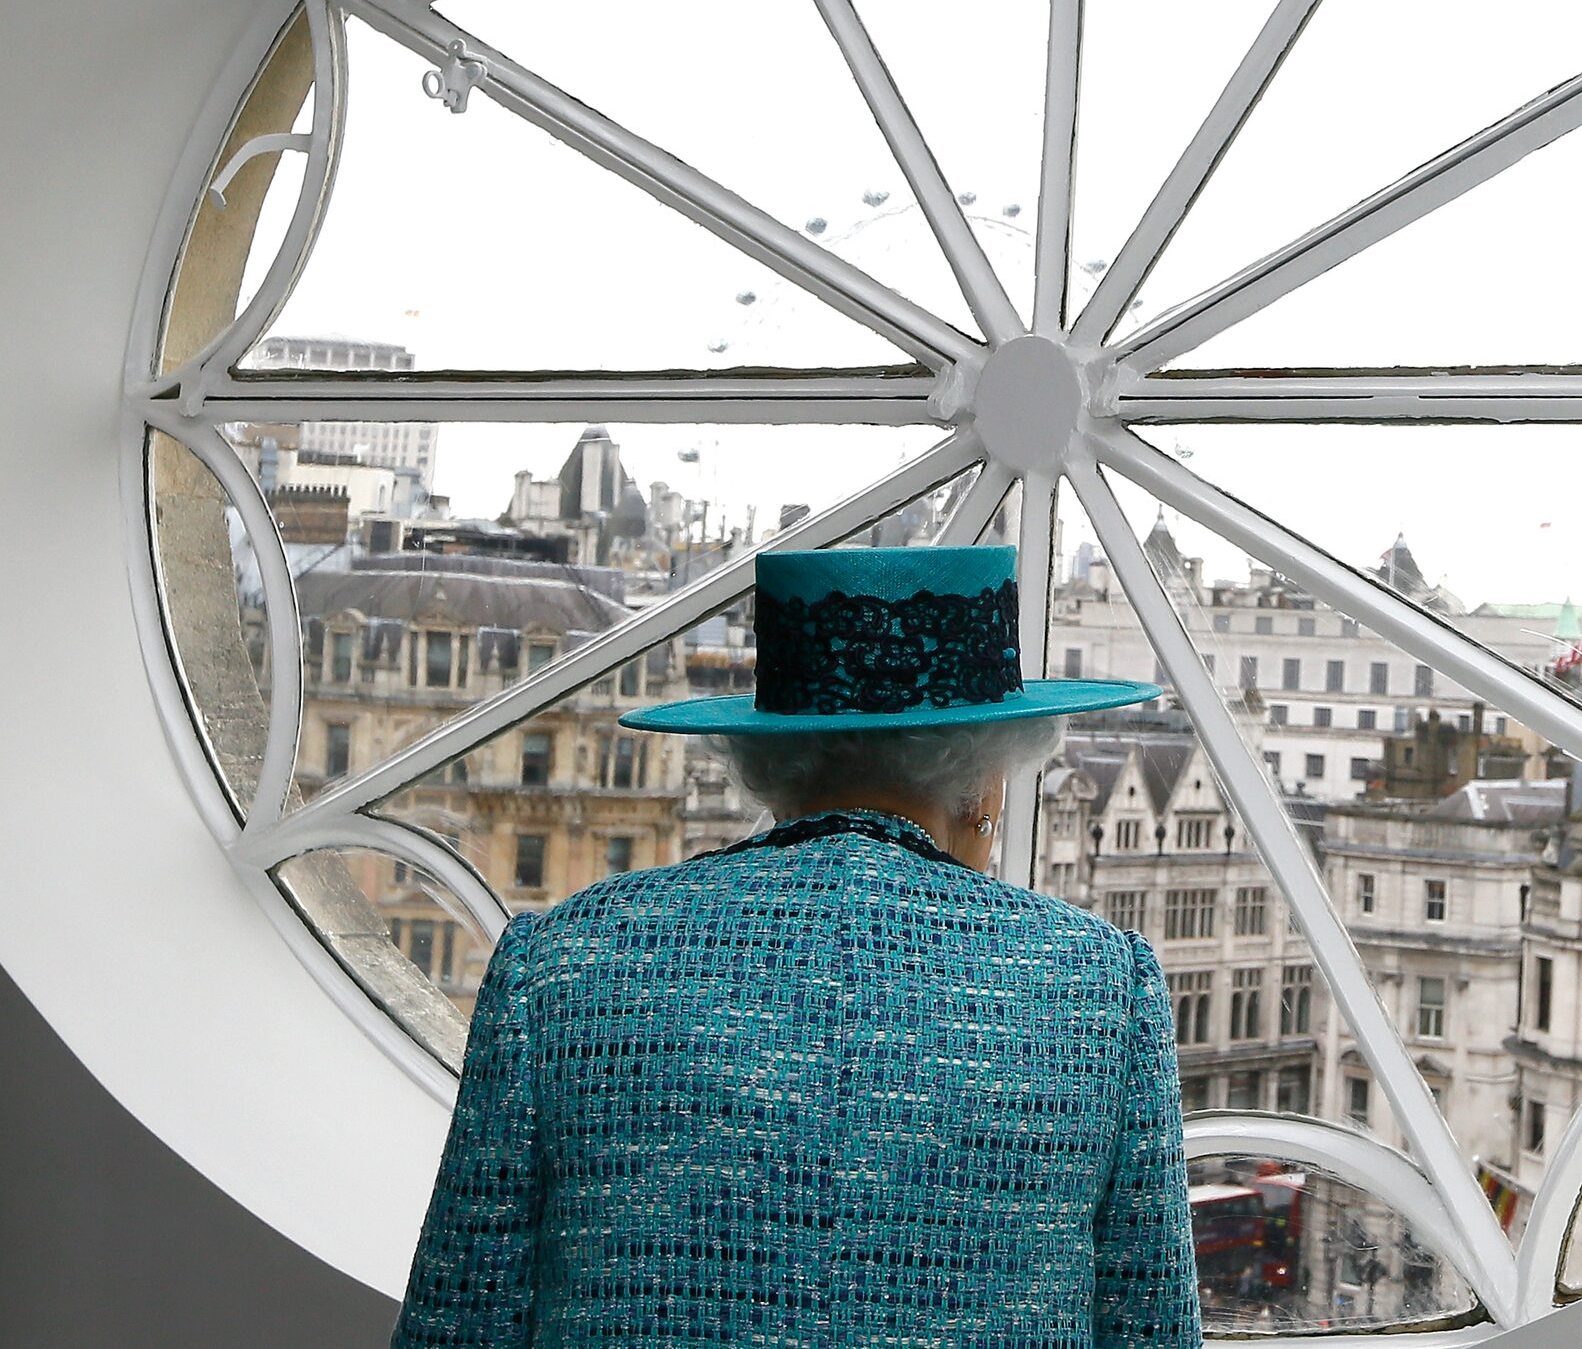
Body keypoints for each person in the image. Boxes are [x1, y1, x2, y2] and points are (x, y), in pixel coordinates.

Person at [389, 544, 1202, 1346]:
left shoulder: (562, 962)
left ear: (765, 757)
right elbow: (1149, 1323)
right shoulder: (1097, 984)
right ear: (986, 787)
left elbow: (461, 1314)